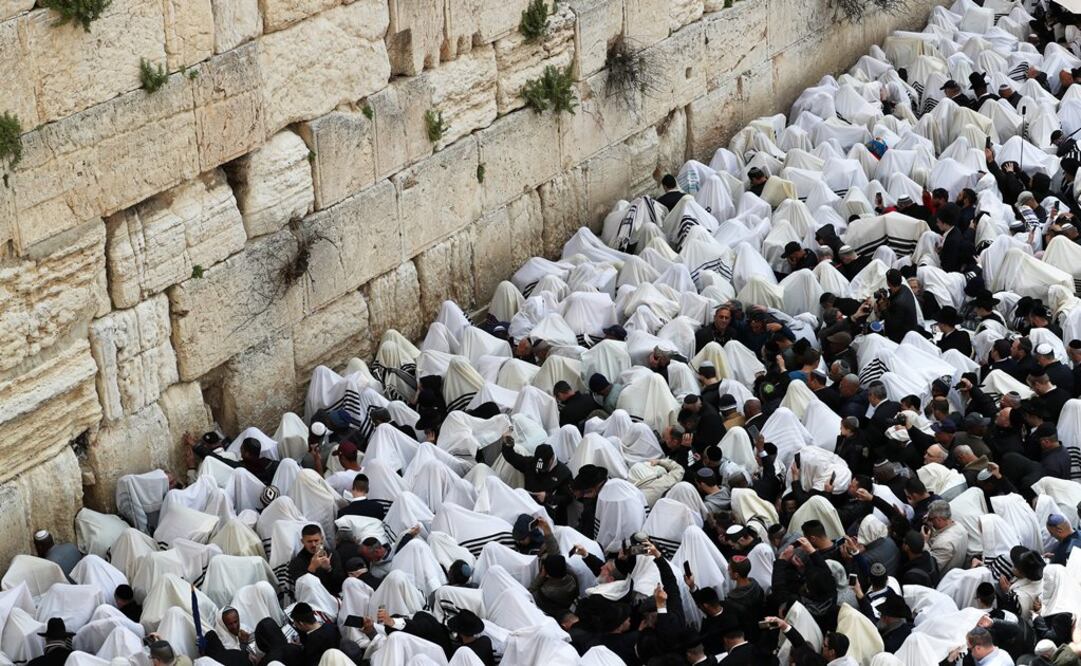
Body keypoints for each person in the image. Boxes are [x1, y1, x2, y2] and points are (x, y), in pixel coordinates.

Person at [499, 441, 574, 523]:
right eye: (538, 466)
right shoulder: (531, 463)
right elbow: (512, 458)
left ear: (552, 459)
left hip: (550, 516)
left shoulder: (564, 473)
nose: (540, 469)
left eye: (544, 466)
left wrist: (548, 497)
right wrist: (507, 444)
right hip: (529, 509)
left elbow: (568, 498)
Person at [288, 524, 345, 595]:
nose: (313, 545)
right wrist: (311, 569)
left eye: (316, 540)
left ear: (322, 539)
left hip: (332, 597)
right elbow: (301, 589)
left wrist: (329, 569)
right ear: (302, 541)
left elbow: (340, 584)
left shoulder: (332, 554)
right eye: (309, 541)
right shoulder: (296, 562)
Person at [925, 500, 968, 574]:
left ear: (939, 519)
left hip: (943, 578)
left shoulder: (944, 543)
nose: (929, 521)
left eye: (930, 519)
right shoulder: (960, 526)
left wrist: (924, 542)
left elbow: (931, 567)